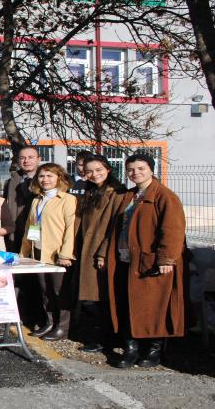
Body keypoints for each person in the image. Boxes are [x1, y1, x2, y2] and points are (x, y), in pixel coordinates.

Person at [107, 154, 186, 368]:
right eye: (131, 169)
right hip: (126, 259)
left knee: (152, 306)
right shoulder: (129, 196)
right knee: (127, 304)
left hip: (150, 262)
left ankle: (153, 350)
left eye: (141, 168)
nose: (136, 173)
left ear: (151, 169)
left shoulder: (164, 196)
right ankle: (131, 348)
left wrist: (166, 258)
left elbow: (173, 230)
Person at [20, 163, 76, 341]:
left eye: (50, 176)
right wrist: (24, 252)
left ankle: (63, 327)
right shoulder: (37, 199)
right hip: (38, 253)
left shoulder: (67, 199)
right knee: (45, 291)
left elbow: (71, 228)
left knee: (60, 292)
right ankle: (50, 322)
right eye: (42, 176)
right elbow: (31, 227)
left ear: (59, 178)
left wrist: (66, 254)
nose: (45, 180)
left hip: (57, 254)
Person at [74, 154, 125, 353]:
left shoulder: (116, 193)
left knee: (98, 297)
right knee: (90, 297)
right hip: (86, 250)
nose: (94, 174)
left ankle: (104, 339)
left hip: (99, 252)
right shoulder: (90, 192)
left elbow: (114, 226)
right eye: (89, 171)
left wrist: (103, 253)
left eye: (98, 170)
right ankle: (95, 337)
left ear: (108, 169)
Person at [4, 146, 42, 252]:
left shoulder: (47, 180)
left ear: (39, 159)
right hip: (15, 230)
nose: (26, 161)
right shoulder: (10, 182)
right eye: (22, 158)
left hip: (37, 229)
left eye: (30, 157)